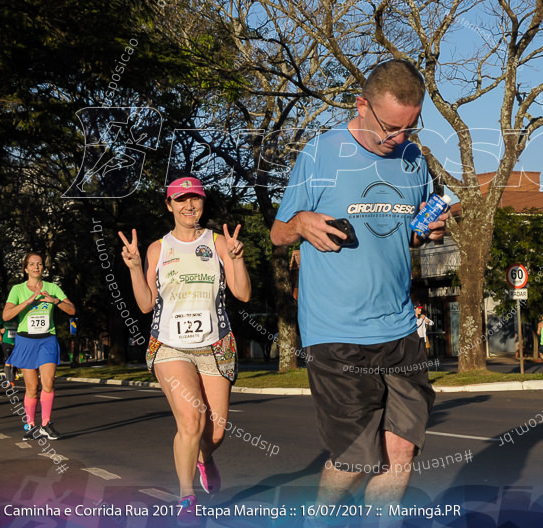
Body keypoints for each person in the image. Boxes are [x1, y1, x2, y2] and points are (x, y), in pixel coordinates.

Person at [270, 58, 448, 507]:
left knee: (402, 450)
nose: (400, 139)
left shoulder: (412, 159)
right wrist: (302, 223)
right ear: (361, 106)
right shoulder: (321, 153)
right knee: (354, 462)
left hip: (400, 329)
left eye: (410, 127)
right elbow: (279, 232)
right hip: (337, 332)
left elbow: (414, 227)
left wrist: (431, 230)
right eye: (390, 128)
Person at [119, 176, 251, 522]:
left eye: (195, 199)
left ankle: (205, 458)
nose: (189, 206)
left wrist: (236, 259)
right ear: (169, 205)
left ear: (203, 203)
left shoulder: (219, 242)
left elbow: (243, 294)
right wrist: (134, 268)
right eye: (181, 200)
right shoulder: (157, 250)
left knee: (216, 432)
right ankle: (186, 496)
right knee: (192, 420)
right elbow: (146, 304)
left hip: (215, 345)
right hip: (170, 345)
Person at [2, 253, 76, 440]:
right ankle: (31, 425)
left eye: (39, 264)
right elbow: (6, 316)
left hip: (47, 340)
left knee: (48, 383)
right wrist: (27, 302)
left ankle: (46, 424)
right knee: (32, 387)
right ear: (25, 269)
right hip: (26, 341)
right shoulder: (17, 290)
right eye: (32, 264)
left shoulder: (52, 288)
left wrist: (55, 301)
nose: (36, 267)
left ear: (43, 267)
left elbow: (72, 310)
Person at [0, 316, 19, 381]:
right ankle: (8, 380)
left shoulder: (18, 318)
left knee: (15, 361)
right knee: (8, 360)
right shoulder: (5, 318)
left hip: (16, 342)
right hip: (6, 342)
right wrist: (0, 329)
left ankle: (12, 376)